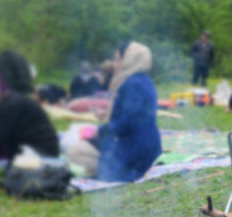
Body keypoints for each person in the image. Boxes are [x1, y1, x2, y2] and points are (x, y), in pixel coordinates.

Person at [65, 42, 162, 182]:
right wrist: (105, 116)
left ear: (128, 60)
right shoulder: (144, 81)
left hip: (134, 151)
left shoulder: (133, 84)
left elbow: (125, 123)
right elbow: (133, 114)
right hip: (145, 145)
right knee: (84, 145)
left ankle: (110, 170)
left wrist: (99, 131)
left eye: (117, 59)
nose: (114, 63)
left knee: (73, 151)